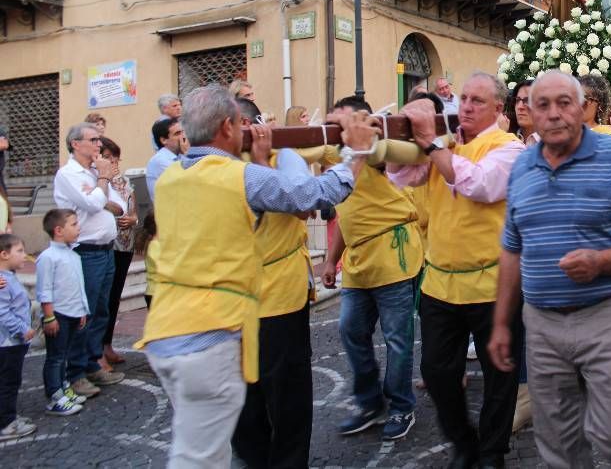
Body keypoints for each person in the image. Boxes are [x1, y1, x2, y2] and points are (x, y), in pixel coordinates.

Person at [136, 84, 378, 467]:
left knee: (226, 433)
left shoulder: (169, 178)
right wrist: (358, 152)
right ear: (230, 128)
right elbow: (309, 196)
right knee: (258, 424)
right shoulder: (239, 176)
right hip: (223, 326)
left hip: (172, 327)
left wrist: (264, 162)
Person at [488, 71, 611, 467]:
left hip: (610, 315)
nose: (553, 114)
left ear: (584, 108)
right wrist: (502, 323)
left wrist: (601, 261)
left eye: (564, 103)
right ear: (530, 114)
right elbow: (511, 250)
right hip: (542, 325)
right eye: (542, 105)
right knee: (559, 445)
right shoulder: (521, 169)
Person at [387, 72, 526, 469]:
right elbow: (403, 175)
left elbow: (480, 185)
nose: (465, 106)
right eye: (463, 98)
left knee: (500, 376)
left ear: (498, 109)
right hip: (440, 283)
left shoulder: (509, 148)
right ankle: (464, 441)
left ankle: (491, 453)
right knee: (436, 371)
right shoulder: (443, 146)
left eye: (477, 101)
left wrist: (431, 143)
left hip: (493, 284)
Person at [323, 96, 425, 442]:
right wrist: (328, 258)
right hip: (356, 260)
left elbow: (394, 156)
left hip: (391, 254)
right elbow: (345, 212)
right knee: (351, 330)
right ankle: (369, 403)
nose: (336, 128)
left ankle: (401, 405)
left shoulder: (377, 148)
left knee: (397, 339)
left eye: (341, 121)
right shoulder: (335, 155)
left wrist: (368, 142)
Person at [230, 98, 323, 467]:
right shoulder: (215, 164)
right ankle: (252, 457)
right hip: (232, 297)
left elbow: (303, 206)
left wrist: (262, 161)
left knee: (286, 389)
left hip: (279, 295)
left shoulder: (283, 157)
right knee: (243, 392)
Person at [53, 123, 125, 397]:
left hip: (106, 249)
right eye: (93, 140)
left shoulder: (94, 172)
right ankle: (76, 371)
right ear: (75, 144)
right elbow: (94, 204)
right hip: (86, 251)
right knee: (84, 313)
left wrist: (99, 188)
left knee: (101, 310)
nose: (98, 145)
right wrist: (103, 183)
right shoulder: (68, 174)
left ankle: (93, 362)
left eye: (98, 140)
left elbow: (116, 205)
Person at [35, 210, 90, 416]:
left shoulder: (73, 254)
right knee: (56, 357)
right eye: (74, 224)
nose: (79, 228)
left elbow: (78, 285)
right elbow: (45, 290)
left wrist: (82, 311)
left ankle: (64, 387)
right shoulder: (48, 258)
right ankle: (54, 396)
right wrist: (49, 317)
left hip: (74, 313)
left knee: (65, 355)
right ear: (59, 230)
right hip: (58, 316)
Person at [97, 138, 136, 371]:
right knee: (104, 297)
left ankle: (108, 343)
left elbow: (132, 208)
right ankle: (98, 347)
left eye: (115, 157)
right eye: (109, 156)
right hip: (108, 243)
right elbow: (101, 205)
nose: (113, 161)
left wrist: (133, 219)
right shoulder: (98, 181)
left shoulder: (123, 181)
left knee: (115, 296)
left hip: (125, 242)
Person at [0, 233, 36, 439]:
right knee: (8, 382)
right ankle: (6, 424)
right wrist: (22, 329)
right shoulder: (3, 282)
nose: (25, 255)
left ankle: (8, 416)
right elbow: (3, 312)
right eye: (20, 251)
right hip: (8, 342)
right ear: (4, 254)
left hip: (13, 342)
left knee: (9, 381)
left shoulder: (8, 277)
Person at [146, 118, 186, 199]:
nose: (183, 136)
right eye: (177, 133)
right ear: (164, 140)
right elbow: (187, 181)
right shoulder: (160, 161)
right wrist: (188, 153)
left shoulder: (179, 156)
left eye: (183, 132)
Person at [507, 80, 538, 145]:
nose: (520, 107)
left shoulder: (553, 142)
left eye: (527, 100)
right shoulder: (506, 136)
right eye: (517, 100)